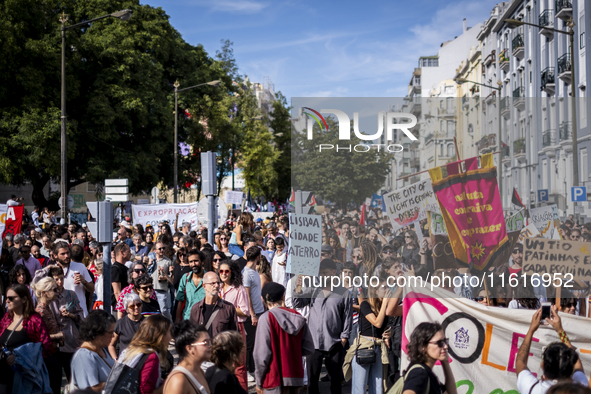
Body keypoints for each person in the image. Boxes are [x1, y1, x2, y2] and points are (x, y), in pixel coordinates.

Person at [292, 259, 353, 394]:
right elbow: (297, 304)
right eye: (321, 273)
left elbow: (347, 317)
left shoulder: (344, 293)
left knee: (335, 381)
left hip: (334, 342)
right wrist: (297, 288)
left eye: (325, 273)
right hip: (313, 342)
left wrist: (343, 338)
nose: (322, 276)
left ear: (334, 272)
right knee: (313, 381)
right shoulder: (313, 290)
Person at [254, 282, 314, 394]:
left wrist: (258, 381)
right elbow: (309, 348)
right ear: (283, 296)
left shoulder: (266, 318)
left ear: (263, 299)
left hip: (273, 378)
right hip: (294, 376)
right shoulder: (297, 316)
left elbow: (261, 355)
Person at [516, 306, 587, 394]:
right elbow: (577, 364)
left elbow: (520, 362)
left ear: (542, 365)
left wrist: (531, 329)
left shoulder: (534, 389)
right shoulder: (580, 387)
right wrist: (560, 330)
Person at [0, 284, 54, 394]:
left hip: (25, 378)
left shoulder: (34, 320)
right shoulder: (6, 318)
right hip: (3, 374)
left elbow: (46, 348)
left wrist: (21, 357)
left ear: (24, 299)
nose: (7, 301)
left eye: (11, 298)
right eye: (6, 298)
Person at [344, 289, 391, 394]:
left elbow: (382, 328)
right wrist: (384, 303)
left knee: (378, 387)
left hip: (378, 347)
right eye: (384, 288)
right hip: (364, 347)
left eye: (388, 287)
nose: (387, 291)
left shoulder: (384, 307)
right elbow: (377, 323)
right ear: (375, 291)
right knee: (360, 388)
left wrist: (388, 333)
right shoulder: (365, 304)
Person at [48, 264, 84, 386]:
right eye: (56, 279)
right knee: (55, 379)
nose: (59, 282)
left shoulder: (71, 295)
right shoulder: (48, 298)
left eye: (61, 278)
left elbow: (81, 318)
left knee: (72, 377)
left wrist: (70, 315)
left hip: (70, 338)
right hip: (54, 342)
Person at [118, 315, 172, 394]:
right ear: (161, 336)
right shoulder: (151, 357)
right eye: (169, 332)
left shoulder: (131, 349)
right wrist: (168, 384)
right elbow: (146, 392)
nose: (171, 337)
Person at [219, 260, 250, 391]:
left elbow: (245, 311)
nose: (224, 274)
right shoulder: (218, 287)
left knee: (239, 365)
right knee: (222, 363)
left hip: (237, 328)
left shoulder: (239, 289)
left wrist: (226, 305)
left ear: (232, 273)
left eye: (227, 271)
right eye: (221, 271)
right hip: (221, 328)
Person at [402, 322, 457, 394]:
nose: (445, 346)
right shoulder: (420, 373)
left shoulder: (428, 373)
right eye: (440, 343)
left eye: (445, 341)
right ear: (423, 347)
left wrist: (445, 362)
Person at [70, 310, 116, 392]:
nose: (113, 336)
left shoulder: (101, 350)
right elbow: (90, 390)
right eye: (110, 332)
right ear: (98, 332)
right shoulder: (84, 356)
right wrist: (117, 382)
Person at [32, 276, 64, 394]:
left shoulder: (47, 308)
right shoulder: (40, 312)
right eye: (54, 290)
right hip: (46, 357)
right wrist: (57, 335)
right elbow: (38, 338)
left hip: (53, 353)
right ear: (44, 293)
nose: (57, 292)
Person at [164, 321, 211, 394]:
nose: (210, 346)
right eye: (206, 343)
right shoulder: (178, 380)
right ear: (190, 348)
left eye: (210, 341)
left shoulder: (199, 371)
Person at [243, 247, 266, 382]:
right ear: (258, 257)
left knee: (257, 342)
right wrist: (252, 314)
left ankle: (254, 368)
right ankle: (248, 370)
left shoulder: (254, 270)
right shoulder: (246, 273)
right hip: (253, 314)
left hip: (260, 310)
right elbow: (247, 296)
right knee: (250, 344)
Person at [189, 272, 237, 337]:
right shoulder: (196, 309)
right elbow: (191, 335)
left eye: (218, 283)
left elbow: (235, 336)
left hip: (221, 347)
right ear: (204, 286)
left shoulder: (228, 308)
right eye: (213, 283)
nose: (217, 285)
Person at [53, 243, 94, 317]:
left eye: (68, 253)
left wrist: (84, 282)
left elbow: (92, 289)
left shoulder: (80, 267)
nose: (67, 256)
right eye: (63, 254)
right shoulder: (53, 270)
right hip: (61, 316)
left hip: (80, 314)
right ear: (55, 255)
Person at [108, 293, 144, 360]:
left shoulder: (147, 323)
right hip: (125, 361)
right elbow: (111, 345)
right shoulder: (120, 323)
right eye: (132, 306)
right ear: (127, 309)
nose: (136, 307)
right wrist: (116, 360)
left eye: (138, 305)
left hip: (143, 361)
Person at [176, 249, 206, 322]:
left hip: (204, 319)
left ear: (202, 262)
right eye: (191, 262)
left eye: (196, 261)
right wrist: (177, 320)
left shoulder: (209, 278)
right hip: (187, 319)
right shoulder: (185, 278)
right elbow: (180, 300)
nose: (193, 264)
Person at [149, 242, 173, 320]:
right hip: (150, 289)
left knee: (164, 311)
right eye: (160, 249)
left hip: (161, 289)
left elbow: (171, 278)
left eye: (163, 248)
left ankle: (170, 325)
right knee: (152, 311)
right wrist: (147, 264)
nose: (162, 250)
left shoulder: (168, 261)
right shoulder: (151, 260)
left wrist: (165, 277)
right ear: (155, 250)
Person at [111, 243, 131, 308]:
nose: (130, 254)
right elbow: (117, 292)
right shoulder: (115, 269)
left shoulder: (125, 268)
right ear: (122, 252)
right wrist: (122, 308)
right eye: (128, 251)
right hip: (119, 308)